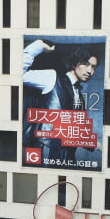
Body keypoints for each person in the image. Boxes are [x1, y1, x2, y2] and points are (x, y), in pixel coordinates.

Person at [22, 39, 101, 169]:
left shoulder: (79, 95)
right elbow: (18, 73)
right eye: (86, 64)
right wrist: (38, 46)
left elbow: (74, 131)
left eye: (93, 67)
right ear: (75, 62)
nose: (90, 71)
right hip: (46, 151)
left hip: (67, 156)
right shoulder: (52, 78)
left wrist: (98, 145)